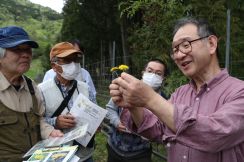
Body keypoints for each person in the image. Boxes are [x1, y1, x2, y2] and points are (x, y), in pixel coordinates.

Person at [109, 17, 244, 162]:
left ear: (211, 44)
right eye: (175, 49)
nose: (179, 55)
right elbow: (157, 130)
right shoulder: (179, 93)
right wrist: (133, 105)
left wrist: (150, 98)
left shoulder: (239, 92)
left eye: (186, 45)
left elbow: (215, 134)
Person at [0, 26, 63, 162]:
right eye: (17, 49)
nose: (26, 54)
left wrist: (49, 131)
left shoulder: (31, 86)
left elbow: (39, 120)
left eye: (28, 49)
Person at [38, 42, 95, 162]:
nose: (73, 65)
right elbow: (36, 122)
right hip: (58, 154)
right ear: (54, 66)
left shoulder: (85, 88)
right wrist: (55, 122)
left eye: (75, 60)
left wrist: (96, 123)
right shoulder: (41, 90)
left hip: (84, 154)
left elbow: (95, 112)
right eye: (67, 60)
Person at [106, 59, 168, 162]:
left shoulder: (164, 100)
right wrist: (116, 122)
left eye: (158, 73)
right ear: (143, 73)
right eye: (150, 71)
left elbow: (161, 129)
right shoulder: (127, 87)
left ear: (163, 78)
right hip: (115, 146)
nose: (153, 75)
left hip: (140, 153)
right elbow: (110, 108)